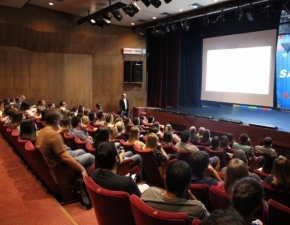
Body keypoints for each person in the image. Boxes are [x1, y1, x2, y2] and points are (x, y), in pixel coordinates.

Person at [35, 109, 95, 178]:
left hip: (54, 160)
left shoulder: (42, 131)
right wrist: (82, 169)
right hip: (60, 166)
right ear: (56, 121)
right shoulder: (54, 135)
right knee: (91, 157)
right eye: (60, 119)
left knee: (81, 151)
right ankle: (87, 180)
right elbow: (65, 157)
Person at [141, 160, 208, 220]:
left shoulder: (148, 194)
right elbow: (209, 219)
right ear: (188, 185)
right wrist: (190, 195)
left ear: (165, 179)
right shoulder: (197, 209)